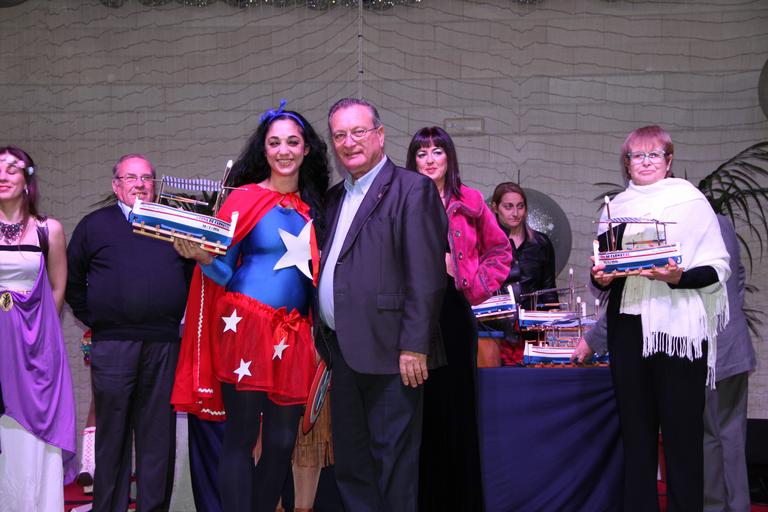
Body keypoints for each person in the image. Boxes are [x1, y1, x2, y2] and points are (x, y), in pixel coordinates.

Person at [171, 101, 329, 512]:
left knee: (281, 442)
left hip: (294, 334)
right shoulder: (243, 199)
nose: (283, 150)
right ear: (264, 149)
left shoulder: (317, 208)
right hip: (245, 327)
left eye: (292, 142)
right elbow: (224, 272)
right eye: (274, 142)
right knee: (240, 437)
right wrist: (201, 257)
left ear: (306, 148)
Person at [574, 213, 756, 512]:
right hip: (731, 344)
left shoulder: (666, 224)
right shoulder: (717, 220)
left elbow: (642, 299)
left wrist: (593, 339)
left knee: (704, 441)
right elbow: (736, 277)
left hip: (699, 347)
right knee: (730, 438)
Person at [316, 98, 447, 512]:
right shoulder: (334, 198)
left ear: (380, 134)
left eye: (358, 132)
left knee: (393, 466)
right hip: (342, 351)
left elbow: (426, 275)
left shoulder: (413, 189)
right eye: (339, 135)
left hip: (394, 354)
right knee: (352, 466)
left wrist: (415, 345)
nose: (349, 142)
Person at [589, 125, 730, 511]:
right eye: (638, 155)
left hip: (679, 332)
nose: (646, 162)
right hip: (628, 330)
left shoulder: (691, 201)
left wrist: (677, 278)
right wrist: (600, 277)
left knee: (683, 440)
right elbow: (603, 270)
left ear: (669, 161)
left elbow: (717, 269)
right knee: (636, 439)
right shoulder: (615, 207)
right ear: (627, 163)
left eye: (654, 154)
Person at [66, 154, 193, 512]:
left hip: (164, 343)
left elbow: (189, 277)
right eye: (130, 177)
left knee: (157, 438)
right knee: (113, 435)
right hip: (113, 344)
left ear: (155, 184)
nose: (139, 184)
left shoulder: (172, 224)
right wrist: (100, 319)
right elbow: (73, 280)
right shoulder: (94, 225)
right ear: (116, 185)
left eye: (146, 178)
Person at [405, 126, 511, 511]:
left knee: (458, 415)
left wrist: (471, 283)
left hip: (452, 315)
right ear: (413, 160)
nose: (430, 159)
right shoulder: (400, 200)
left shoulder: (471, 201)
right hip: (412, 318)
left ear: (449, 157)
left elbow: (501, 251)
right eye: (422, 153)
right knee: (420, 416)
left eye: (437, 151)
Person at [0, 145, 76, 510]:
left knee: (32, 433)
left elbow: (58, 287)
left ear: (27, 180)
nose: (2, 176)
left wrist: (36, 334)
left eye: (12, 169)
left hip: (34, 347)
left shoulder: (49, 230)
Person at [490, 182, 558, 365]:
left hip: (533, 331)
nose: (515, 213)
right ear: (495, 207)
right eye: (508, 206)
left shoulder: (541, 243)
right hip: (494, 332)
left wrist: (554, 321)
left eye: (520, 206)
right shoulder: (486, 242)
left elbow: (549, 289)